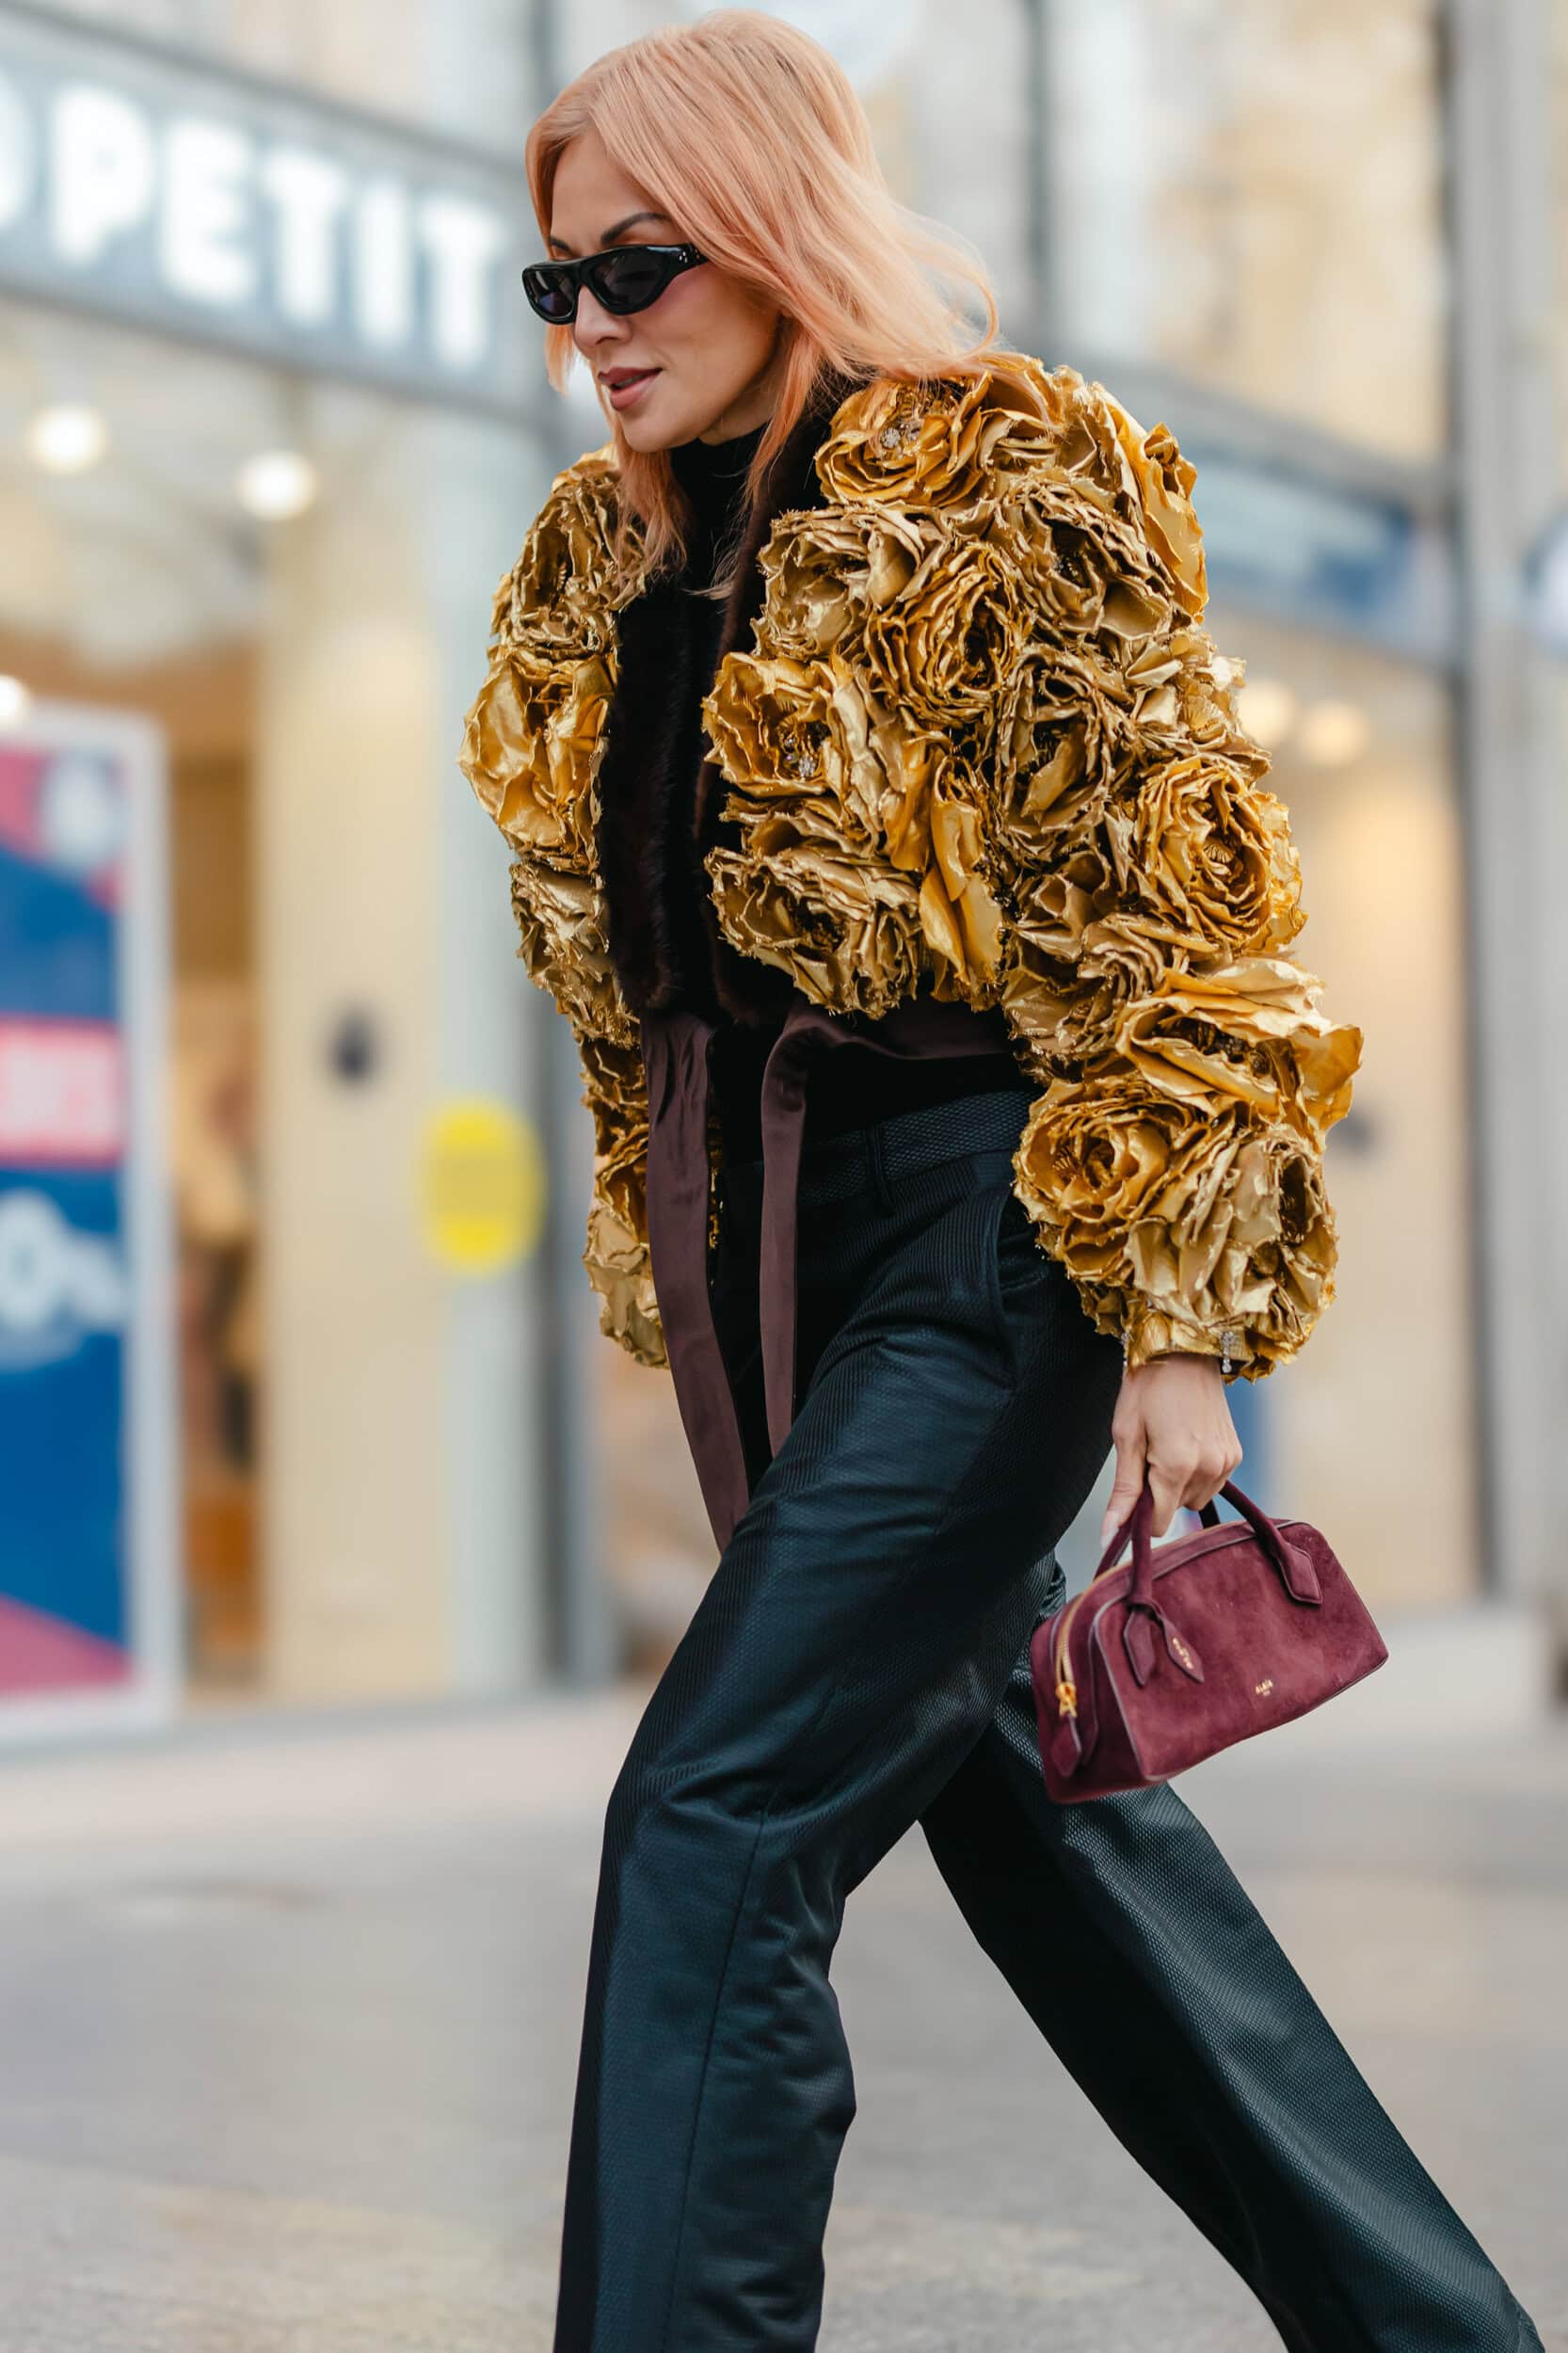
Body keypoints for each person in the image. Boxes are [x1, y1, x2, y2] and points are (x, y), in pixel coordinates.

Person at [460, 16, 1544, 2351]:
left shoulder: (1002, 473)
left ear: (766, 232)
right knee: (1061, 1838)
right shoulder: (596, 563)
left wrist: (1173, 1321)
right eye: (555, 285)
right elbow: (631, 979)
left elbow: (1173, 907)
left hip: (991, 1234)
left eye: (637, 262)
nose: (598, 325)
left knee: (713, 1819)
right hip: (771, 1254)